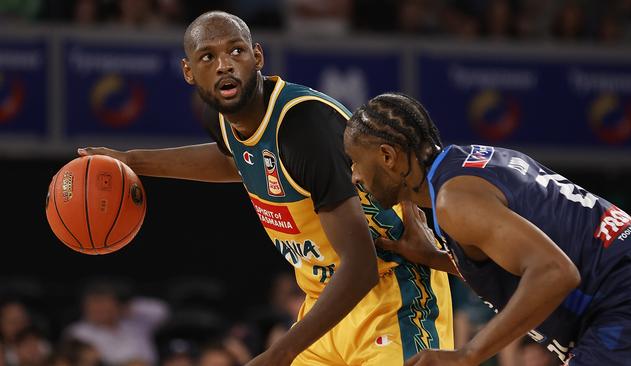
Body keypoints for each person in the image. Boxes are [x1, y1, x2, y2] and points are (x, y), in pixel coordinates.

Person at [78, 10, 453, 366]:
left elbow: (361, 267)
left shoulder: (303, 129)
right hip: (325, 302)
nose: (224, 64)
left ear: (257, 56)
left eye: (235, 50)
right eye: (208, 57)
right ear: (189, 72)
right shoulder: (224, 118)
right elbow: (235, 159)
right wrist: (132, 162)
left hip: (392, 293)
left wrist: (279, 352)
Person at [342, 92, 631, 365]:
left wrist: (468, 353)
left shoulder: (454, 202)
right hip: (629, 283)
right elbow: (515, 257)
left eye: (355, 161)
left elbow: (555, 272)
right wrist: (435, 257)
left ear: (387, 156)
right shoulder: (469, 164)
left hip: (625, 302)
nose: (354, 175)